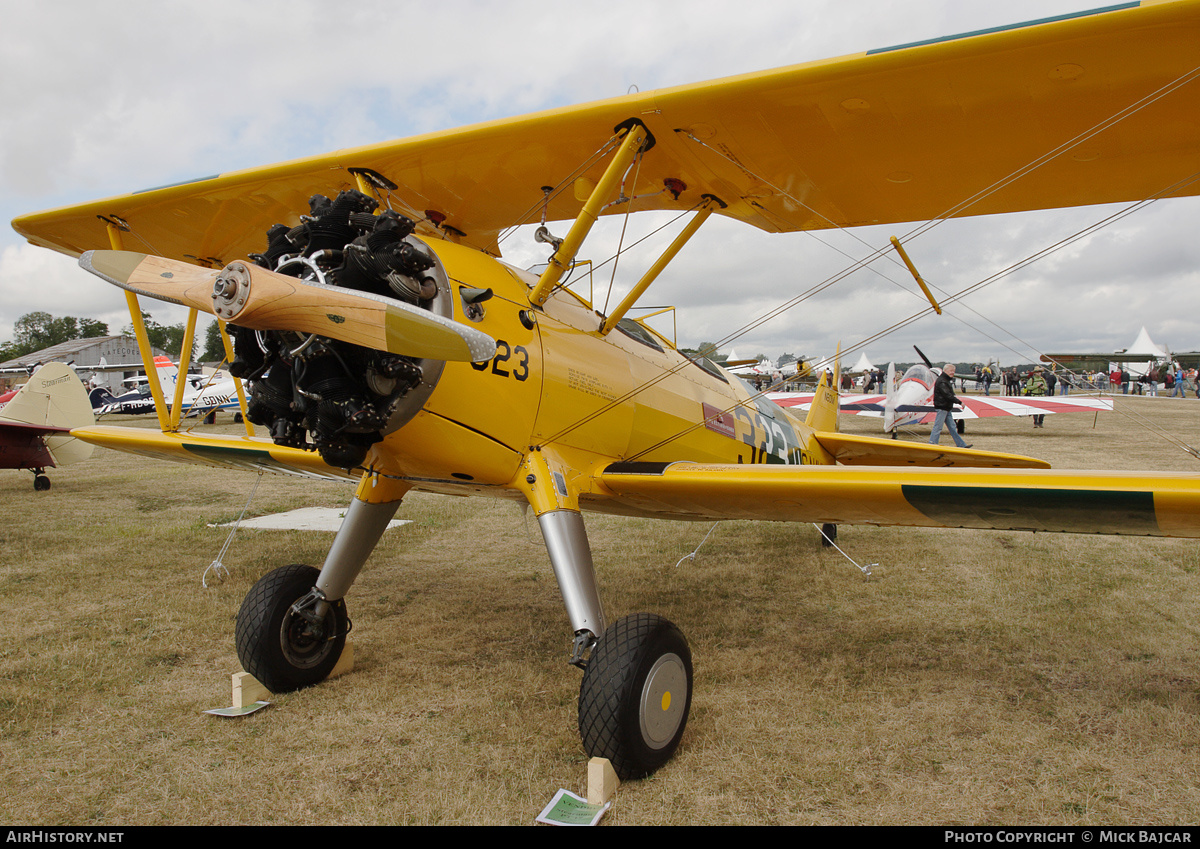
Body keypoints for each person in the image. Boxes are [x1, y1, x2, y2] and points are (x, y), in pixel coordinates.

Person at [929, 364, 971, 448]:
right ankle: (932, 444)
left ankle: (961, 445)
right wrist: (960, 402)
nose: (953, 373)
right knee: (938, 427)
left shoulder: (945, 380)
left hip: (946, 407)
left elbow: (949, 394)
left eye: (953, 371)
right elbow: (947, 395)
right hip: (942, 407)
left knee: (952, 427)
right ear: (945, 371)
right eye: (951, 371)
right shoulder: (942, 381)